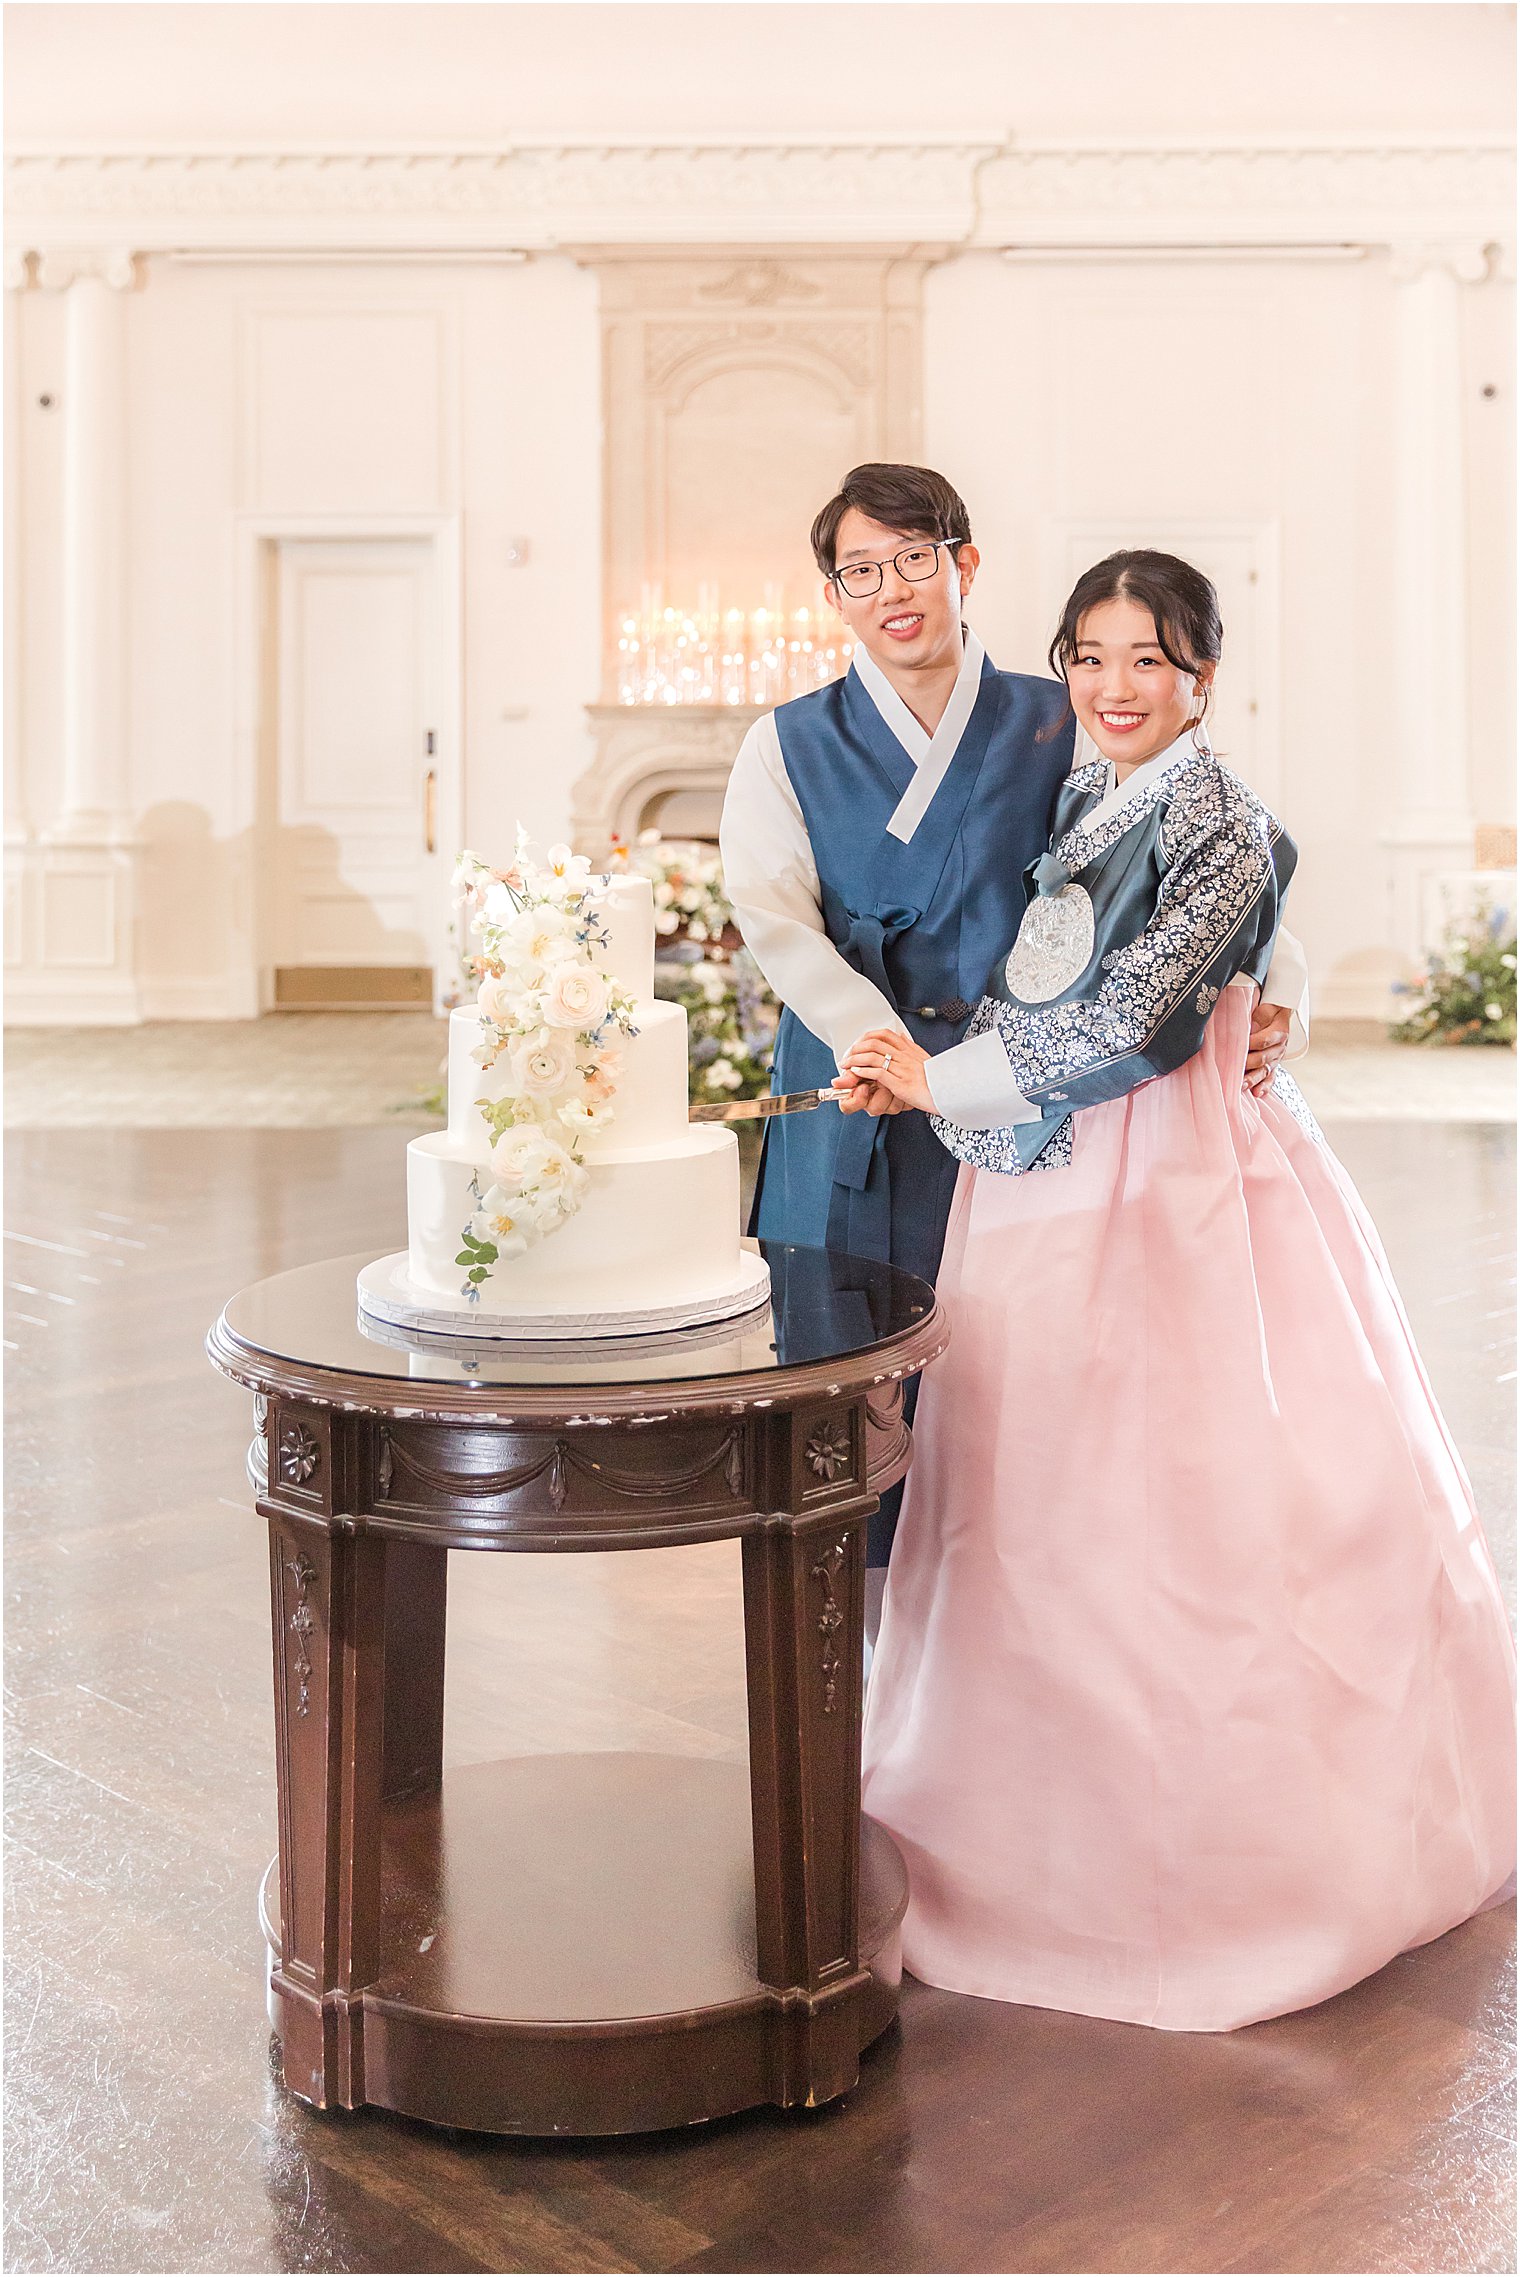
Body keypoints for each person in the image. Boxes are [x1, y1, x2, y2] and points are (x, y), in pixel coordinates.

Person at [843, 550, 1516, 2032]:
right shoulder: (1082, 794)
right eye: (1089, 657)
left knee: (1183, 1502)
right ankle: (1030, 1824)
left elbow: (1141, 1017)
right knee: (1032, 1497)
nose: (1113, 687)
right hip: (1045, 1172)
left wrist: (938, 1074)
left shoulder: (1220, 815)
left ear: (1202, 675)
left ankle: (1219, 1868)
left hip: (1173, 1185)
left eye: (1147, 659)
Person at [720, 466, 1308, 1587]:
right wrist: (884, 1051)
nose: (891, 589)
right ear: (832, 593)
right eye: (860, 569)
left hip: (1025, 1109)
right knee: (839, 1397)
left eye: (912, 559)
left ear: (963, 565)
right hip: (857, 1092)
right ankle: (849, 1662)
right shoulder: (783, 742)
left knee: (1004, 1399)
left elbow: (1199, 863)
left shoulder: (1065, 717)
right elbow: (776, 924)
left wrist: (1278, 995)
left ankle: (985, 1650)